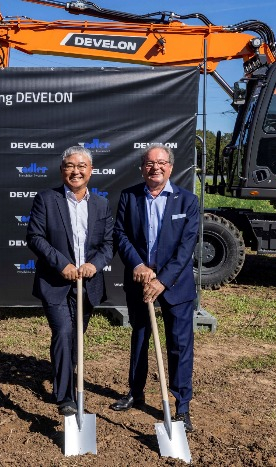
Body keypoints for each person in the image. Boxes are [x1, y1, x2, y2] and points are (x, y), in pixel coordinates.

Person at [110, 143, 199, 432]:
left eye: (161, 162)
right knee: (139, 338)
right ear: (142, 168)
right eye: (149, 163)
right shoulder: (129, 197)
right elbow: (121, 235)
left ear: (170, 167)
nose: (155, 167)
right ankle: (135, 393)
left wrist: (162, 281)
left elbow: (186, 249)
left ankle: (181, 406)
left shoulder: (187, 201)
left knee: (179, 345)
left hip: (175, 285)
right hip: (139, 281)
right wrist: (137, 265)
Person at [26, 146, 114, 416]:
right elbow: (35, 237)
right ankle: (65, 396)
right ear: (62, 170)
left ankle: (66, 374)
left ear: (90, 171)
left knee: (76, 337)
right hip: (55, 282)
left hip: (87, 285)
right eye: (70, 166)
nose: (76, 171)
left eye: (81, 166)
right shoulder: (46, 200)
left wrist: (93, 265)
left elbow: (108, 245)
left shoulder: (101, 204)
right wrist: (61, 264)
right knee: (63, 332)